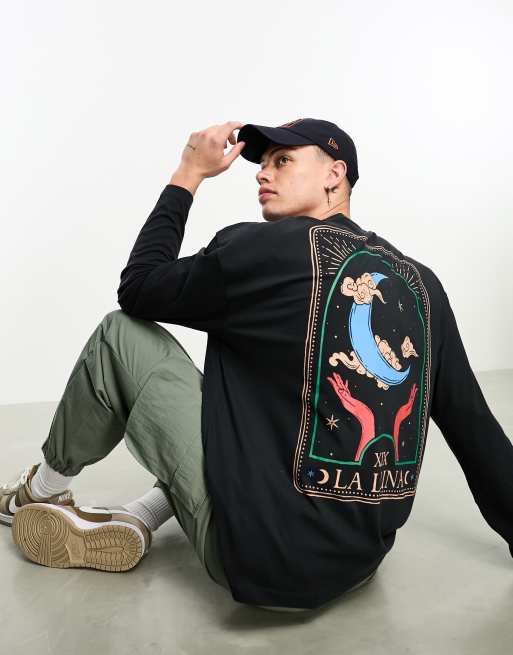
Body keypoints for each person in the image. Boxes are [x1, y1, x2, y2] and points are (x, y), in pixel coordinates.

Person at [2, 119, 512, 613]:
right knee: (254, 394)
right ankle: (142, 515)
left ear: (335, 174)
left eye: (282, 160)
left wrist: (188, 173)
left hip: (262, 562)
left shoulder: (258, 248)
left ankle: (39, 492)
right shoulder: (422, 284)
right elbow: (473, 427)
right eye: (262, 163)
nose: (262, 173)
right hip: (359, 562)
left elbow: (138, 288)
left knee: (120, 334)